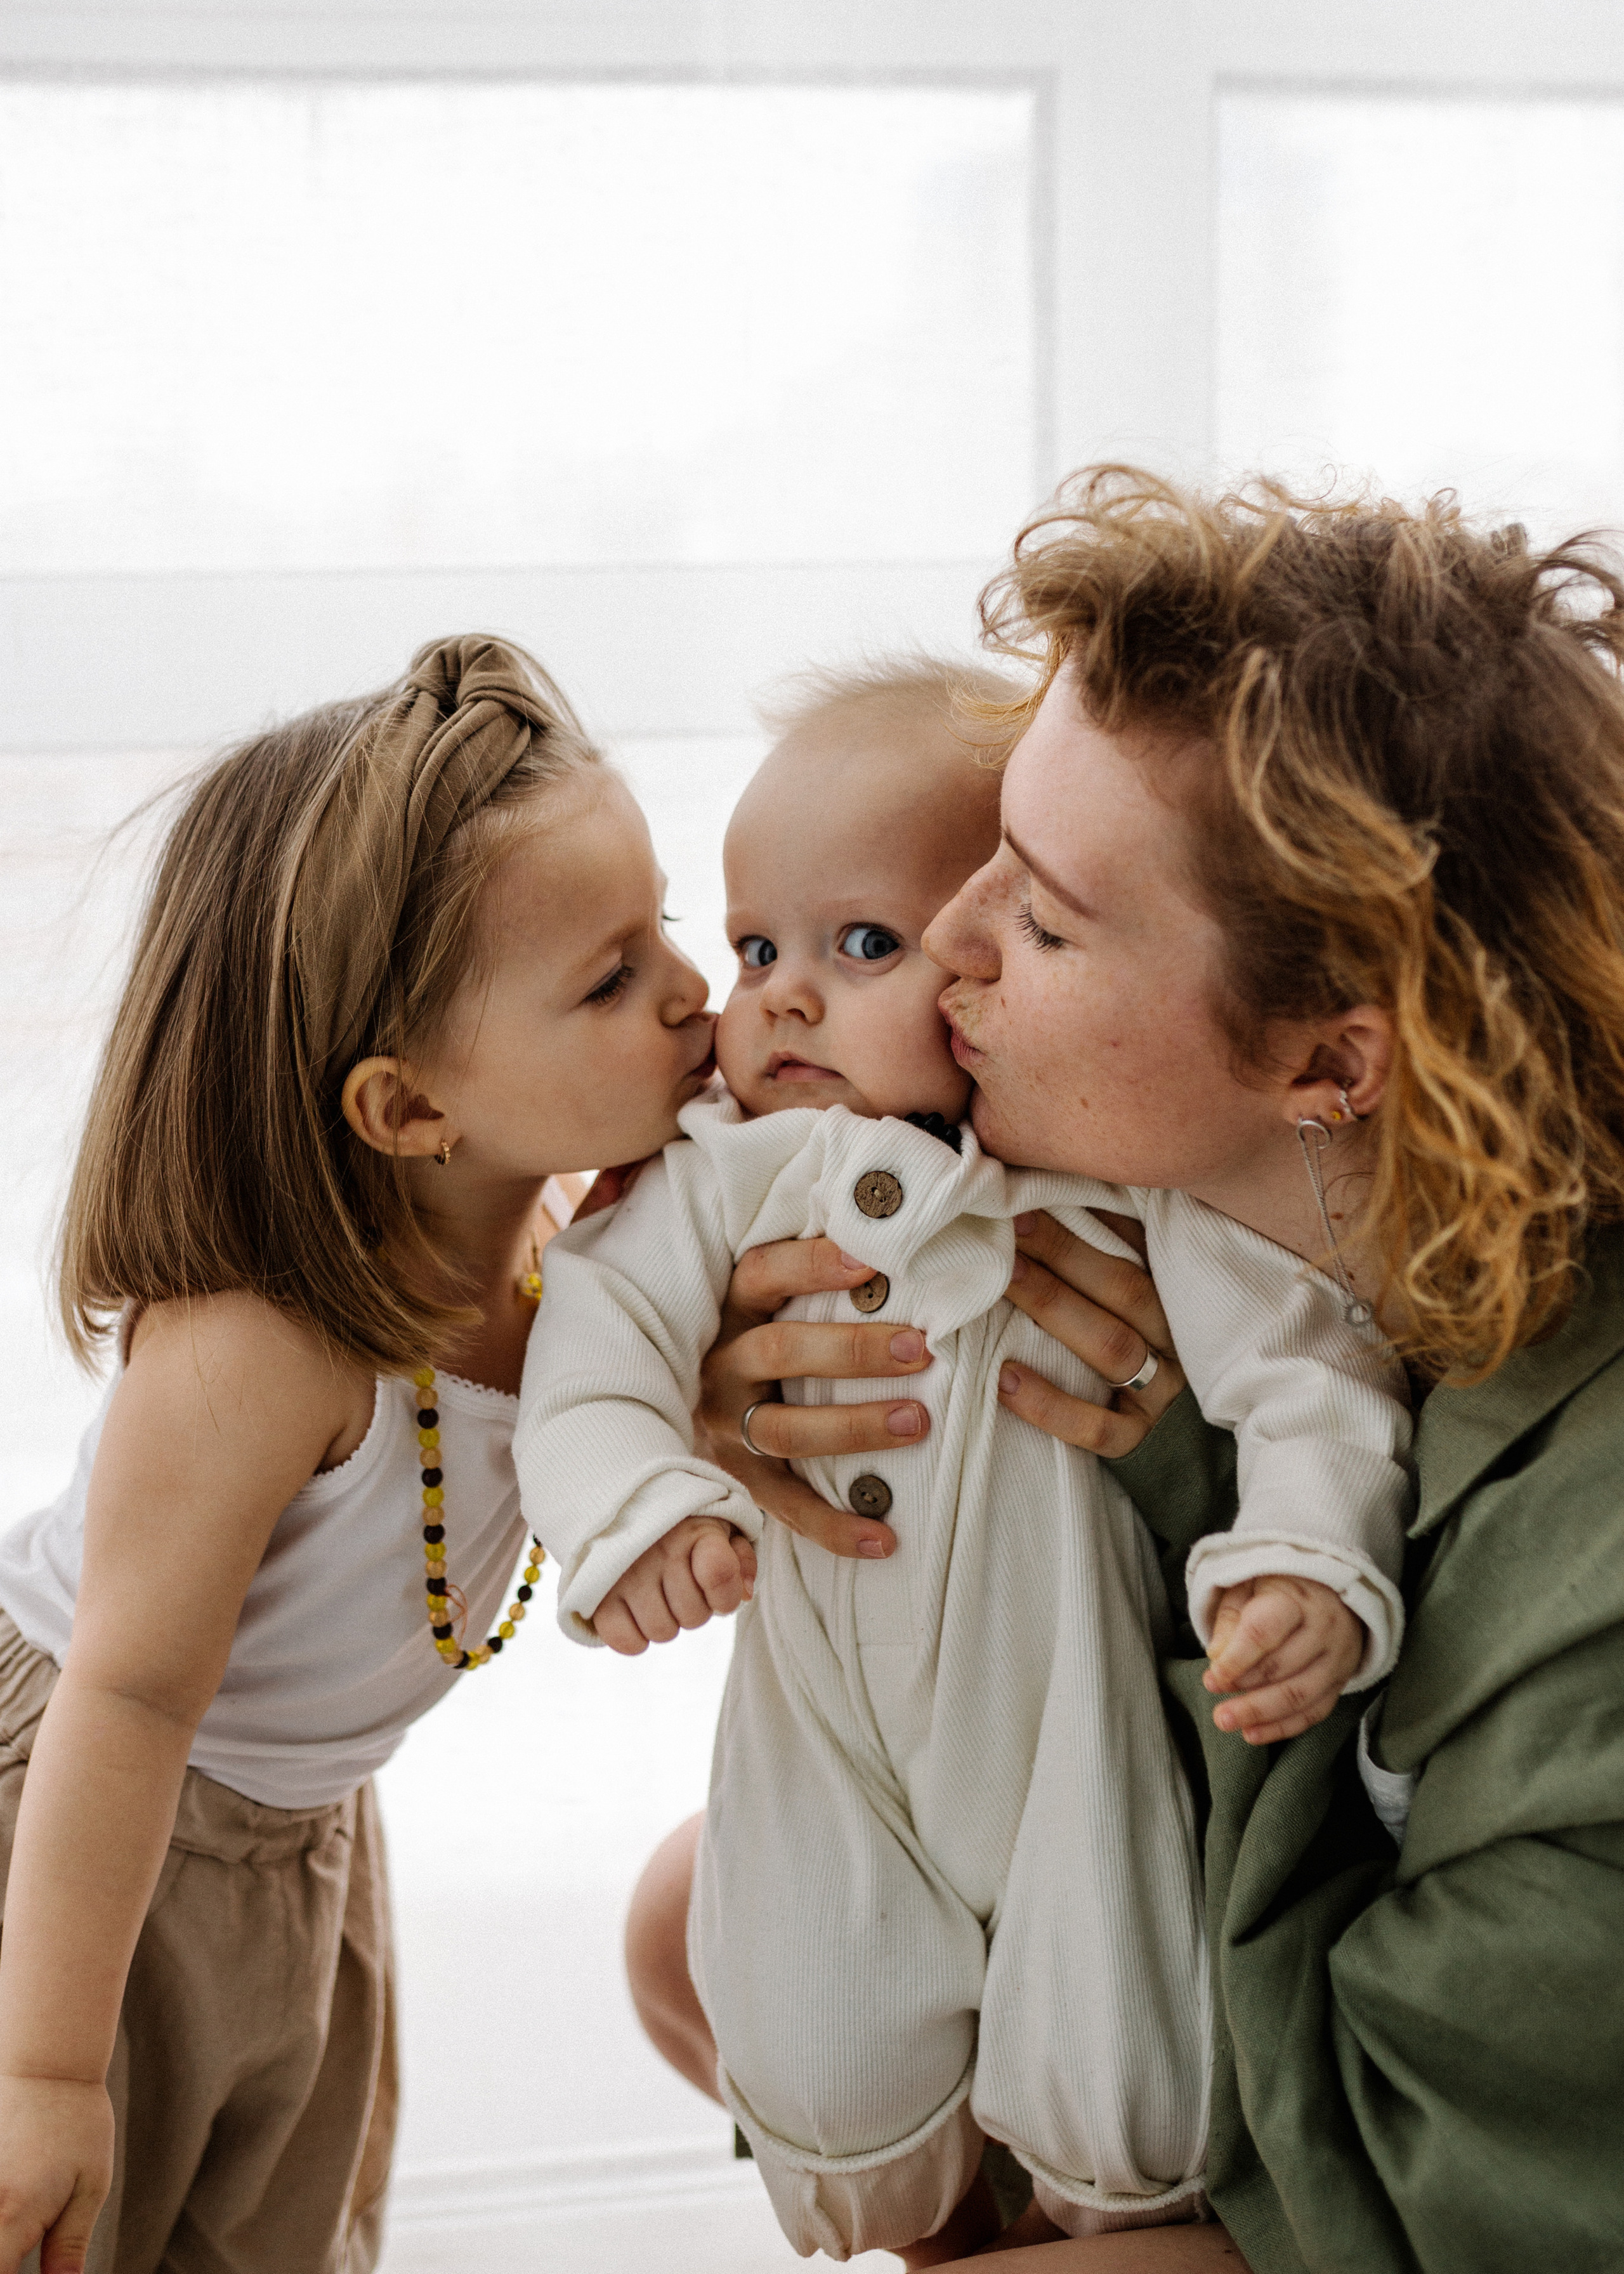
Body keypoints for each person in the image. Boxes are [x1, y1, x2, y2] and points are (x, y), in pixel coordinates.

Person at [632, 473, 1624, 2271]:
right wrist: (715, 1357)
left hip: (1428, 2190)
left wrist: (1205, 1492)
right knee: (683, 1919)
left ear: (1328, 1064)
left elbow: (1392, 2179)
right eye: (988, 851)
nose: (947, 938)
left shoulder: (1585, 1594)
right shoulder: (1194, 1237)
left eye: (1045, 919)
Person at [521, 653, 1413, 2263]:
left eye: (864, 944)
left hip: (1068, 1716)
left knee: (1117, 2033)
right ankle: (911, 2212)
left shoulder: (1099, 1177)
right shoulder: (724, 1176)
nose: (780, 997)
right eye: (754, 947)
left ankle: (1104, 2217)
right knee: (805, 2002)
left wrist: (1300, 1555)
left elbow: (1302, 1372)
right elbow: (595, 1344)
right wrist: (636, 1505)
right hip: (818, 1722)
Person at [0, 636, 724, 2274]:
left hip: (299, 1839)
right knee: (59, 2208)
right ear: (406, 1112)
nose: (691, 991)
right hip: (82, 1827)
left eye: (665, 924)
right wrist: (41, 2071)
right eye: (610, 979)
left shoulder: (574, 1258)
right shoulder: (261, 1347)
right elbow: (127, 1698)